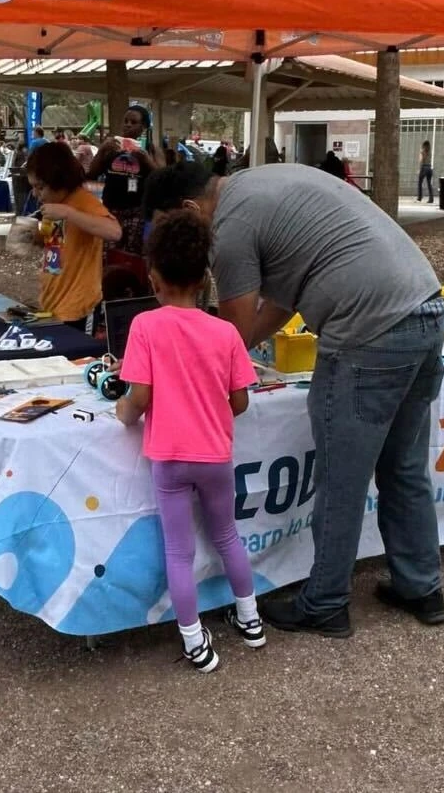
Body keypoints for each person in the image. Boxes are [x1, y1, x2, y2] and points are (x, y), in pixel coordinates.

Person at [143, 161, 444, 637]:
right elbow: (280, 304)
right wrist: (223, 355)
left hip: (369, 332)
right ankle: (421, 586)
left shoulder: (229, 227)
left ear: (187, 208)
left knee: (341, 477)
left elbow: (234, 327)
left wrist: (189, 361)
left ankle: (325, 602)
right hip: (426, 311)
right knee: (404, 467)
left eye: (171, 225)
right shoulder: (261, 183)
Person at [116, 210, 264, 672]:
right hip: (215, 456)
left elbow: (138, 397)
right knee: (226, 535)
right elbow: (239, 401)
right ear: (203, 279)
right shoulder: (225, 332)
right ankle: (250, 618)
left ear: (154, 277)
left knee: (179, 551)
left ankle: (195, 641)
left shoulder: (144, 326)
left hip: (169, 459)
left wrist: (122, 413)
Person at [27, 141, 120, 329]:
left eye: (40, 187)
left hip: (78, 308)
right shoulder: (54, 204)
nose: (35, 194)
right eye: (33, 187)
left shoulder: (82, 202)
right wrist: (33, 236)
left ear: (58, 181)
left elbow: (114, 231)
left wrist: (68, 213)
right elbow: (56, 244)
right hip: (52, 303)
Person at [87, 105, 160, 257]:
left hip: (136, 212)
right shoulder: (112, 146)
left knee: (131, 256)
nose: (128, 125)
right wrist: (102, 150)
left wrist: (146, 160)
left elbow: (161, 179)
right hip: (110, 211)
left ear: (143, 127)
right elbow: (92, 174)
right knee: (107, 255)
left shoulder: (151, 149)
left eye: (134, 122)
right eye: (126, 121)